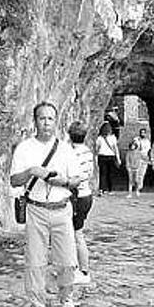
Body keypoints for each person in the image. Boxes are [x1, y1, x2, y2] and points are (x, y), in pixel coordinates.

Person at [10, 102, 79, 307]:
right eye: (42, 118)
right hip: (36, 209)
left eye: (50, 118)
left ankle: (66, 298)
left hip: (62, 208)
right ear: (35, 121)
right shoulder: (25, 148)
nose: (46, 123)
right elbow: (13, 180)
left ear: (56, 121)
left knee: (68, 261)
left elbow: (77, 178)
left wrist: (64, 181)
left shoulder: (66, 149)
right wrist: (32, 171)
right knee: (35, 262)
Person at [67, 121, 94, 285]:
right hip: (86, 195)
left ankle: (83, 271)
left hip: (76, 197)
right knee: (72, 233)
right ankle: (73, 268)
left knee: (76, 235)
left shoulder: (72, 154)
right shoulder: (87, 152)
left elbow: (71, 177)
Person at [95, 122, 120, 194]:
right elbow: (115, 149)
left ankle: (101, 189)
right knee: (110, 173)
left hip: (101, 156)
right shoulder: (113, 137)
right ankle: (110, 189)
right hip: (110, 156)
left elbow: (97, 148)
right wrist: (118, 158)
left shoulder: (99, 138)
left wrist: (96, 157)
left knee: (102, 173)